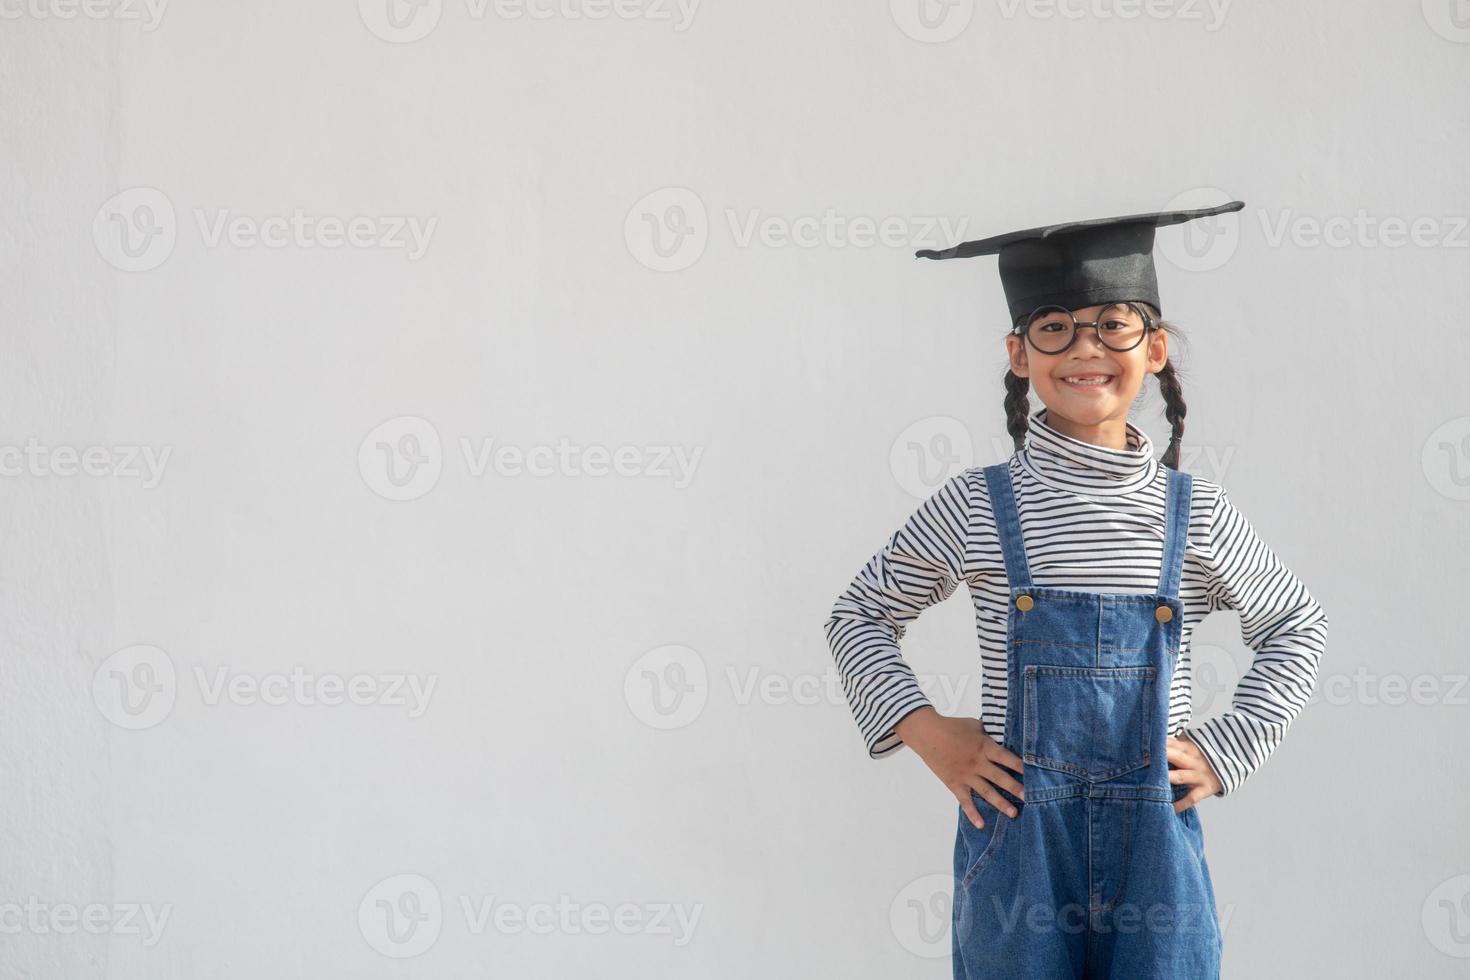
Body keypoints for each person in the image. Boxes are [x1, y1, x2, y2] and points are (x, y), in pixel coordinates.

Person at [821, 201, 1329, 978]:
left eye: (1113, 324)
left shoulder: (1193, 515)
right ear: (1019, 354)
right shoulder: (977, 506)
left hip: (1154, 852)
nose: (1084, 348)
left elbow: (1296, 622)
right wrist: (926, 731)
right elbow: (859, 613)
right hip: (1019, 849)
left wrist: (1227, 749)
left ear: (1154, 349)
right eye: (1053, 326)